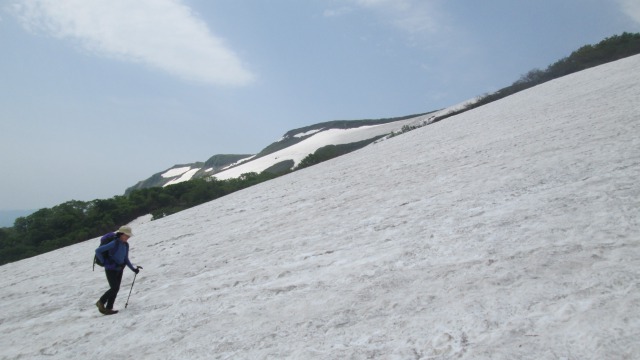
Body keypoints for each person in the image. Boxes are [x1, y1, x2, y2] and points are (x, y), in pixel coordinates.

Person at [95, 225, 141, 315]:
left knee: (116, 288)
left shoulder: (126, 245)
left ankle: (109, 308)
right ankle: (100, 302)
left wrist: (133, 269)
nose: (128, 237)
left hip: (120, 268)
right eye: (126, 235)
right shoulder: (114, 243)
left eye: (129, 236)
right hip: (110, 269)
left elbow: (126, 259)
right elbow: (98, 251)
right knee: (114, 287)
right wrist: (104, 262)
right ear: (121, 234)